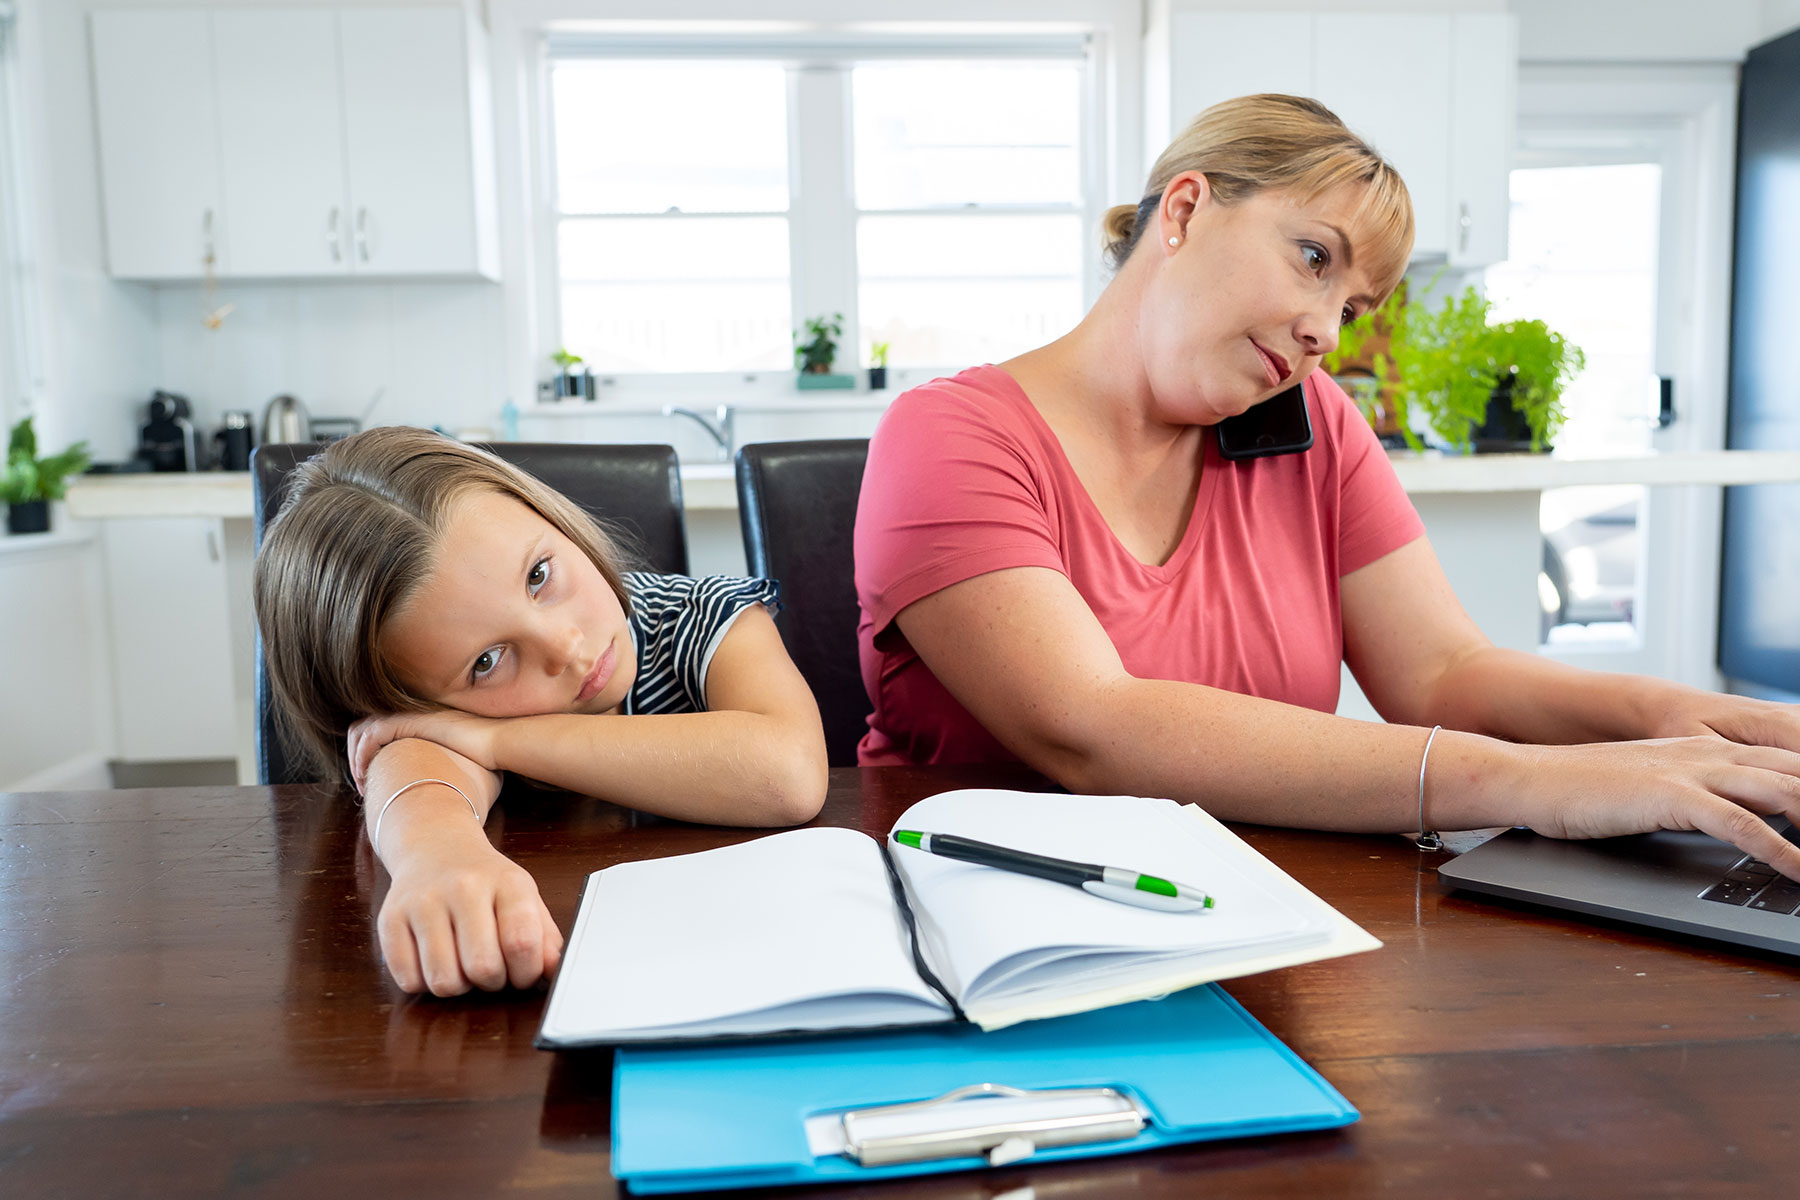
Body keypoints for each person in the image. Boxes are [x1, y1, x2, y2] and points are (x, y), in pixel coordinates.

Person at [854, 93, 1800, 880]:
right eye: (1315, 259)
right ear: (1183, 210)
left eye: (1350, 308)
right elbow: (1094, 724)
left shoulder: (1316, 429)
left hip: (1268, 906)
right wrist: (1536, 781)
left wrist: (1670, 719)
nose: (1326, 335)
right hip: (994, 916)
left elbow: (1443, 675)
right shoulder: (948, 436)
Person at [255, 427, 828, 997]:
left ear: (551, 515)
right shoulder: (441, 724)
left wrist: (496, 741)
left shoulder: (706, 621)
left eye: (538, 575)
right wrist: (435, 856)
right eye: (488, 661)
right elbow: (411, 770)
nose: (568, 649)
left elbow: (790, 774)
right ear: (416, 706)